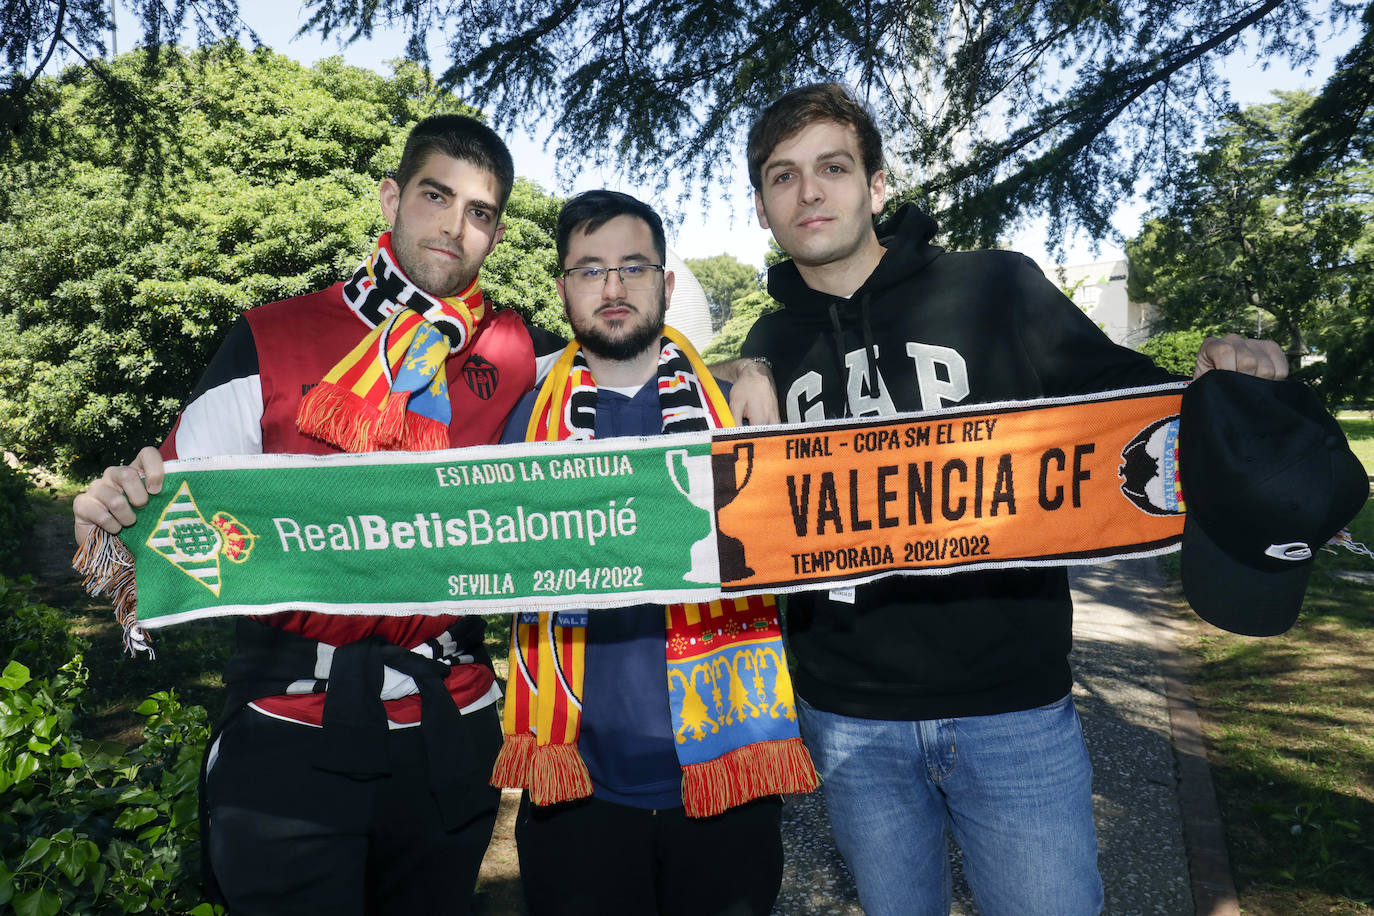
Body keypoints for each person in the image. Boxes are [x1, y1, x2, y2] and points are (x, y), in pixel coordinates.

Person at [739, 83, 1288, 916]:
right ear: (762, 206)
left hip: (1013, 713)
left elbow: (1133, 406)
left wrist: (1223, 378)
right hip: (850, 721)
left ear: (877, 186)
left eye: (833, 166)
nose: (809, 191)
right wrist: (736, 370)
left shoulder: (997, 286)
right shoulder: (768, 344)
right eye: (784, 176)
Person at [72, 114, 567, 916]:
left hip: (451, 729)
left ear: (497, 233)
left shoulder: (522, 354)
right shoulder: (272, 338)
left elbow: (630, 400)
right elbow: (166, 509)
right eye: (435, 195)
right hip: (286, 727)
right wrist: (115, 520)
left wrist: (737, 368)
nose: (453, 225)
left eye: (479, 212)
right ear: (390, 197)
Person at [490, 190, 819, 916]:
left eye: (633, 268)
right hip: (576, 783)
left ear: (667, 285)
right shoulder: (525, 420)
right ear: (563, 289)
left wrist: (753, 367)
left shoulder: (740, 410)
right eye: (589, 270)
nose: (612, 289)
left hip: (724, 776)